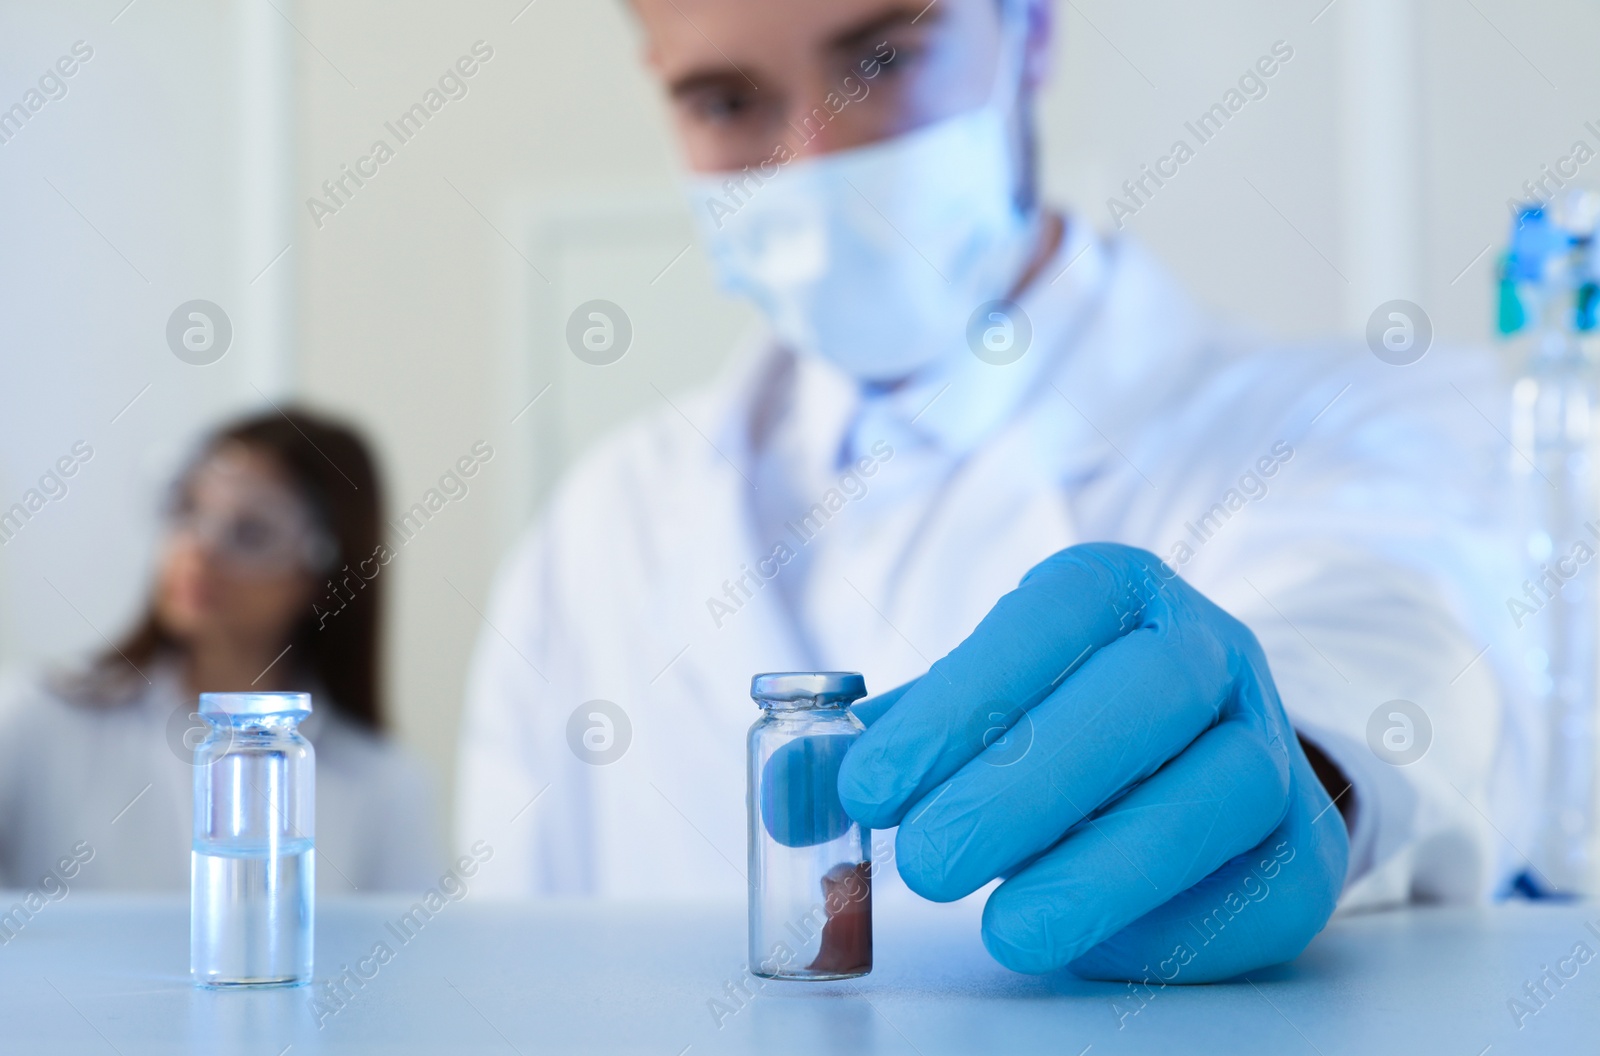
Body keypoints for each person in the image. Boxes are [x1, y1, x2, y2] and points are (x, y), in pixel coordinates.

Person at [457, 0, 1507, 981]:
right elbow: (512, 980)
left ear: (1029, 33)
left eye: (880, 62)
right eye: (729, 102)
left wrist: (1304, 762)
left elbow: (1396, 634)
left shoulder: (1348, 421)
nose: (812, 160)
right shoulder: (593, 534)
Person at [0, 410, 441, 893]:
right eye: (189, 509)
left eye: (251, 532)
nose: (199, 548)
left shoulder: (385, 788)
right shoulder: (33, 720)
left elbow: (409, 964)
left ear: (324, 573)